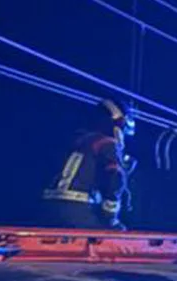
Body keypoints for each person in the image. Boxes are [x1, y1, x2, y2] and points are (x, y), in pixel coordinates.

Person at [42, 98, 133, 229]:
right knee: (113, 239)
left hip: (47, 208)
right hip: (77, 209)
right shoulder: (106, 143)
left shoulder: (73, 140)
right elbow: (115, 178)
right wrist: (111, 216)